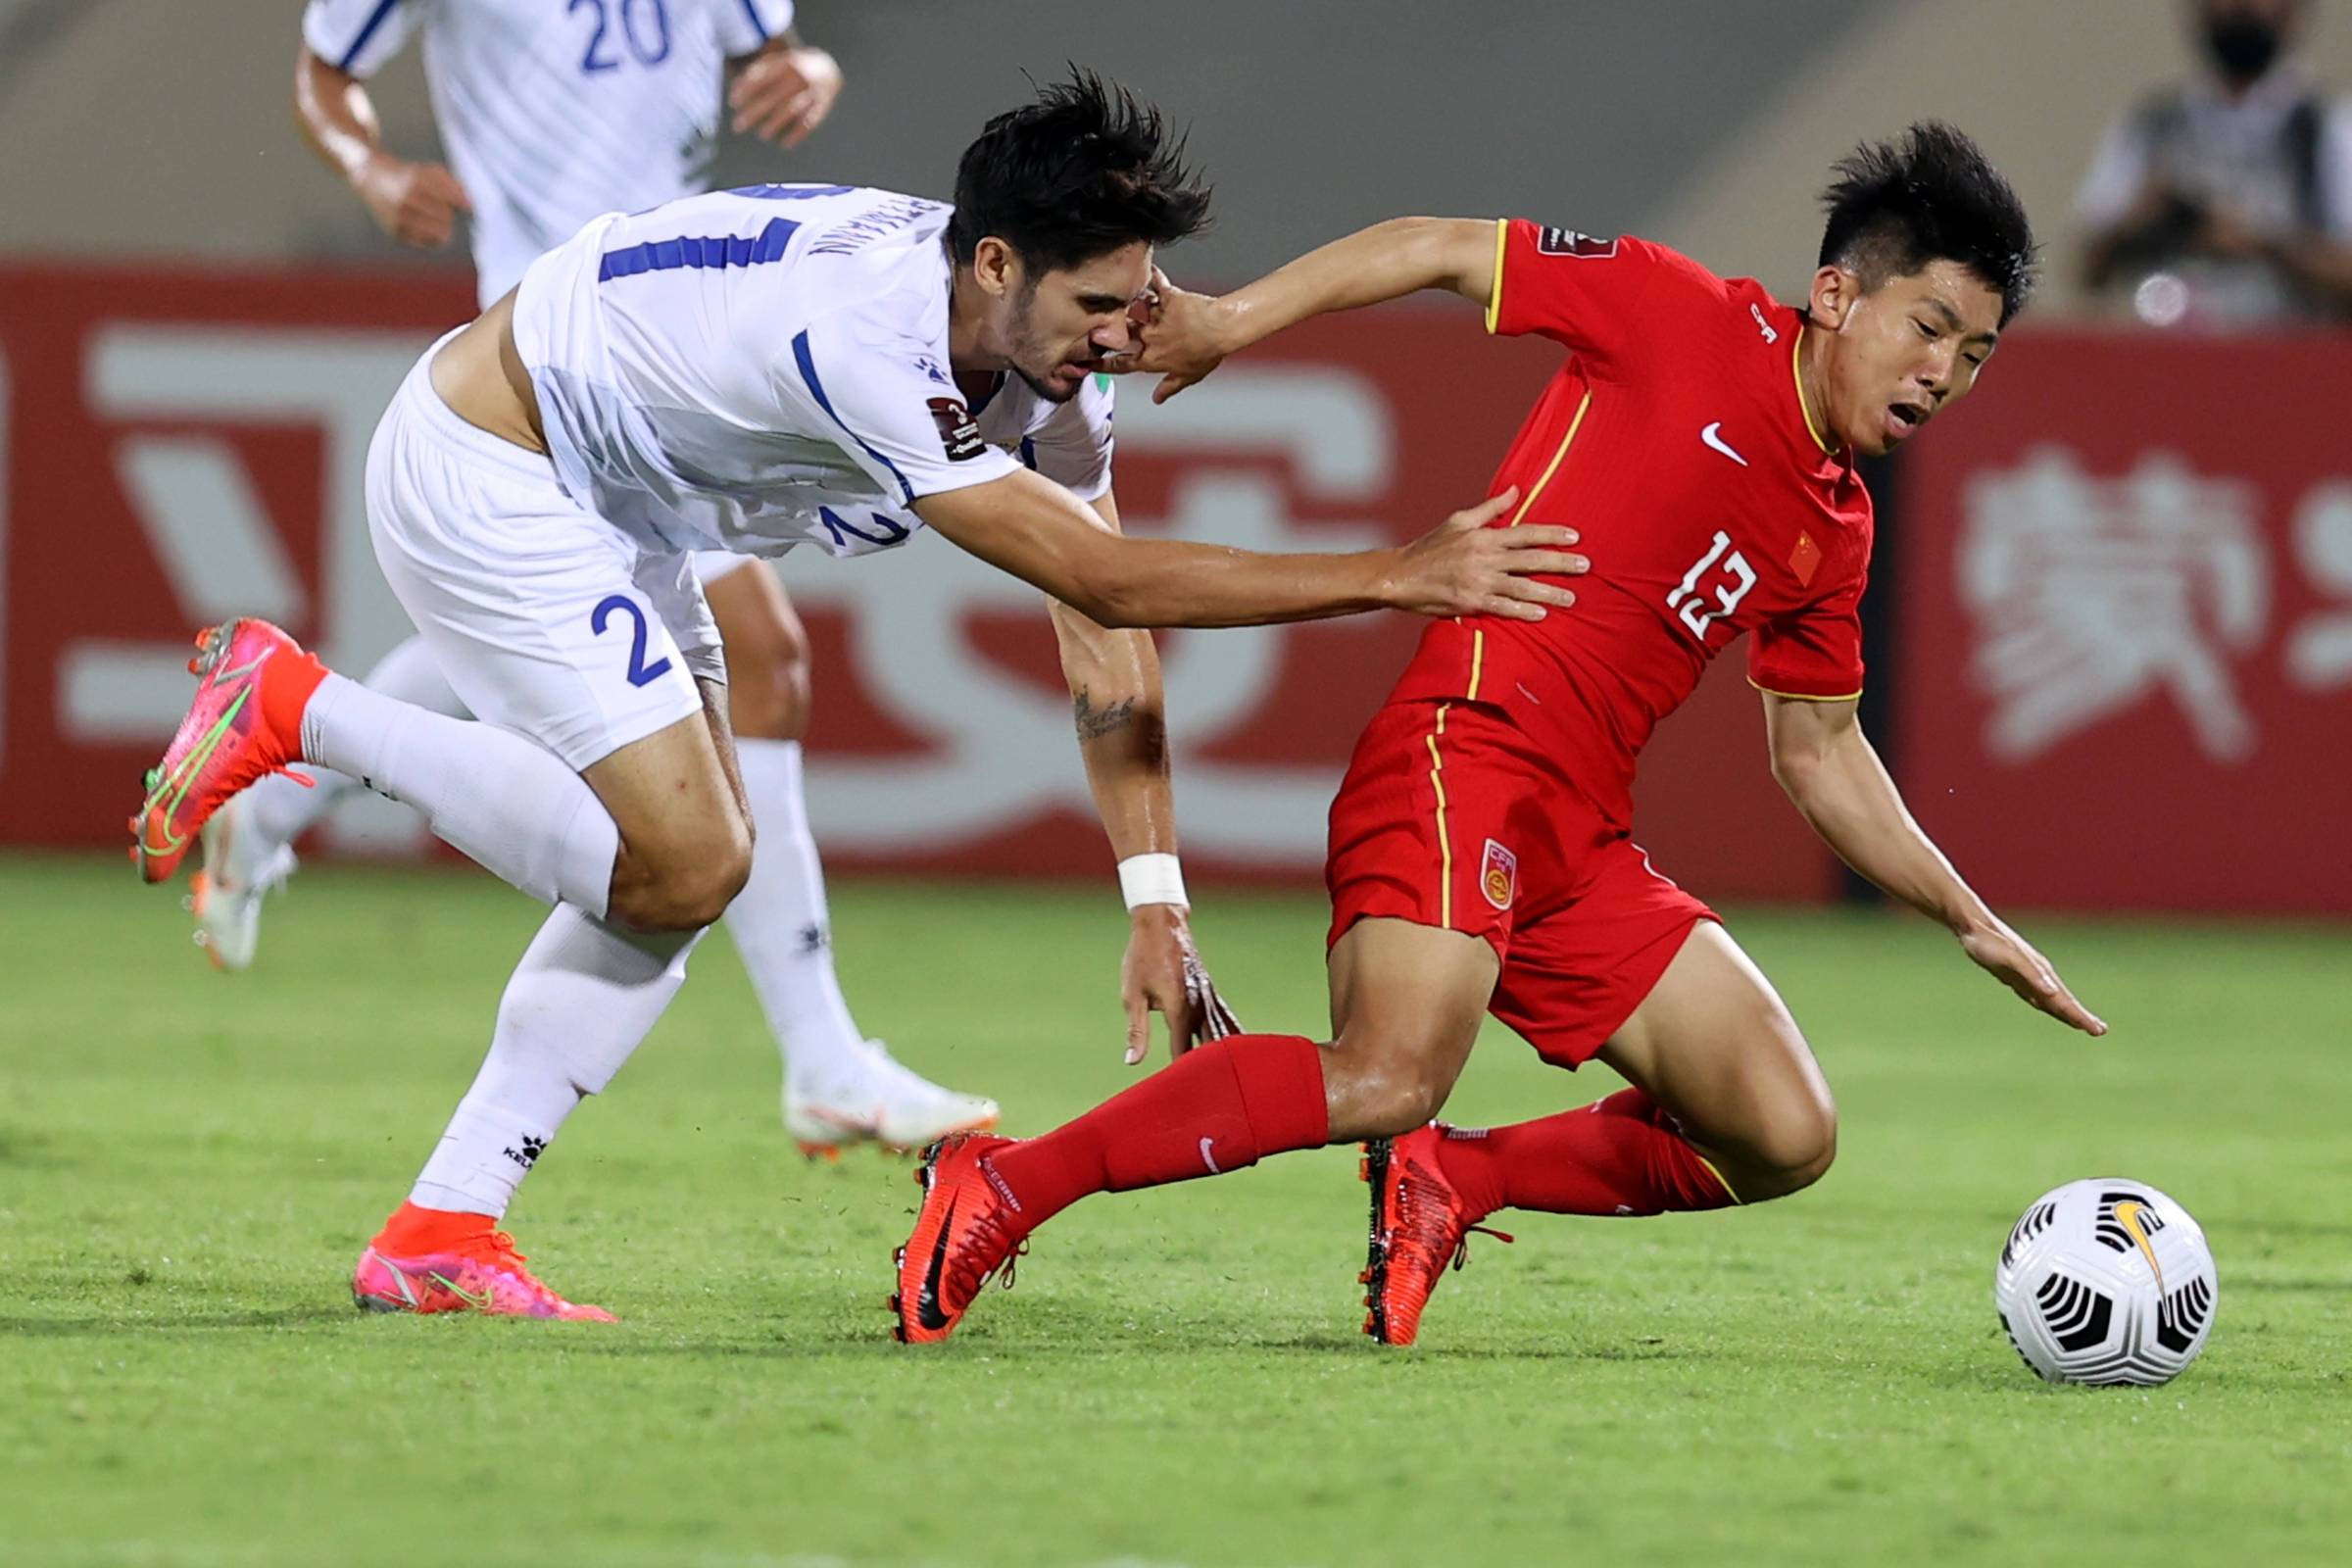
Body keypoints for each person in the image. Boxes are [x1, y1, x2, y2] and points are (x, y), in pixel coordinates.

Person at [131, 73, 1584, 1320]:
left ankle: (440, 1230)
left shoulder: (1051, 377)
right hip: (495, 462)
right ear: (995, 264)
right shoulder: (871, 341)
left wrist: (1156, 892)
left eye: (1138, 298)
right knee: (692, 858)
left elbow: (1095, 612)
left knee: (673, 886)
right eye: (1099, 303)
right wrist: (1396, 573)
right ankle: (296, 706)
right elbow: (1121, 585)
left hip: (629, 508)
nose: (1122, 335)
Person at [890, 122, 2108, 1348]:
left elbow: (1820, 750)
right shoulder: (1682, 313)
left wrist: (1968, 915)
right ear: (1838, 295)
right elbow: (1437, 247)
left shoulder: (1837, 526)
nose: (1941, 376)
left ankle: (1458, 1178)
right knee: (1383, 1076)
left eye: (1975, 355)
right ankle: (1003, 1182)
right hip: (1461, 749)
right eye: (1929, 328)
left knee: (1784, 1131)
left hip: (1576, 835)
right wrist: (1229, 322)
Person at [207, 1, 974, 1160]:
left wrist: (801, 70)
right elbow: (324, 68)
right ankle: (820, 1058)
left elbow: (768, 54)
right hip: (566, 344)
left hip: (691, 335)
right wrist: (368, 165)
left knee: (541, 666)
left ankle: (276, 783)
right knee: (760, 662)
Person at [2078, 0, 2352, 327]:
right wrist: (2141, 221)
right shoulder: (2152, 125)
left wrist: (2258, 244)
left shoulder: (2327, 128)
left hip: (2288, 359)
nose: (2242, 6)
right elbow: (2087, 267)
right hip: (2172, 357)